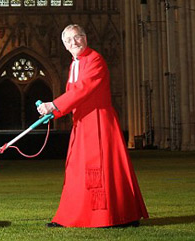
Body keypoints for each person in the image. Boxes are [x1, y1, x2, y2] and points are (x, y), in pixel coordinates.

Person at [37, 24, 149, 228]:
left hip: (98, 121)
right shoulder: (75, 64)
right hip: (82, 122)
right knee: (77, 171)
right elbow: (74, 95)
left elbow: (84, 89)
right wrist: (54, 111)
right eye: (68, 40)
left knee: (104, 169)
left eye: (77, 37)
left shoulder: (95, 59)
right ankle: (71, 217)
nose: (74, 42)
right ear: (64, 45)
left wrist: (54, 105)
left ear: (85, 38)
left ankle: (115, 216)